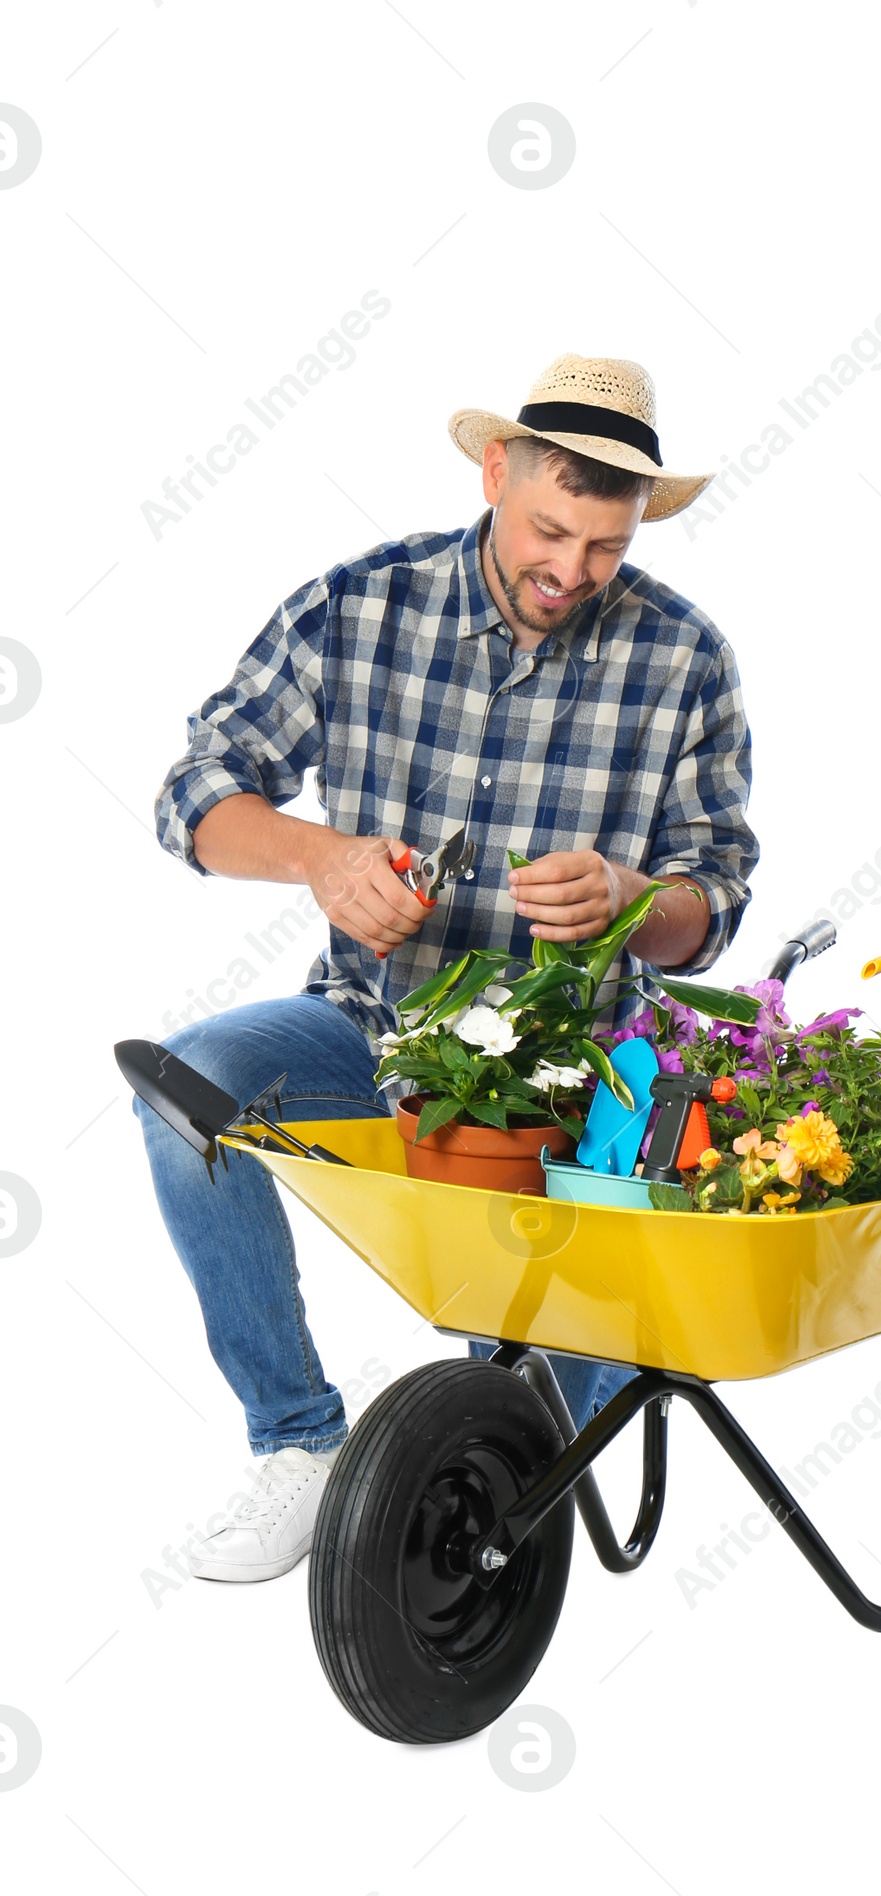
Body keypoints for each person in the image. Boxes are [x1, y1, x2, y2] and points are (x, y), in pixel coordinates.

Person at [136, 353, 759, 1581]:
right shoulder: (361, 606)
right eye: (547, 530)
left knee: (521, 1466)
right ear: (496, 474)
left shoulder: (684, 656)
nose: (569, 572)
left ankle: (472, 1497)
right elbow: (191, 794)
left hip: (576, 1094)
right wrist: (320, 859)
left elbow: (716, 893)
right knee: (189, 1087)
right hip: (370, 1038)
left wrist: (639, 905)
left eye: (604, 546)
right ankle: (301, 1446)